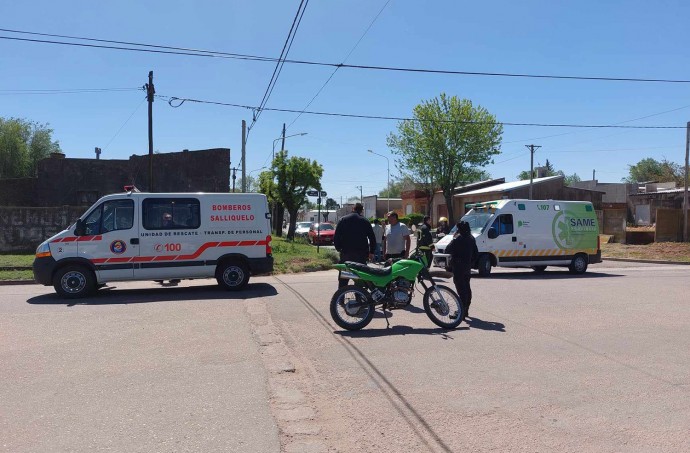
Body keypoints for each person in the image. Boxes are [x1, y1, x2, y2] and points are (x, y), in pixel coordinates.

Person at [333, 203, 376, 288]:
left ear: (353, 209)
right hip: (361, 255)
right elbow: (372, 238)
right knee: (360, 278)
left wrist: (338, 248)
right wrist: (371, 252)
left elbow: (336, 236)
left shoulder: (343, 220)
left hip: (346, 254)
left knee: (344, 278)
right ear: (361, 210)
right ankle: (359, 297)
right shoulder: (365, 221)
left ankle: (340, 298)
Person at [445, 221, 478, 320]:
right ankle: (466, 309)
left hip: (458, 267)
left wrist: (453, 239)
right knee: (467, 288)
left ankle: (461, 311)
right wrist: (470, 262)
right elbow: (476, 253)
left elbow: (448, 249)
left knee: (461, 289)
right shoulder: (471, 238)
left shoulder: (458, 238)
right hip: (467, 267)